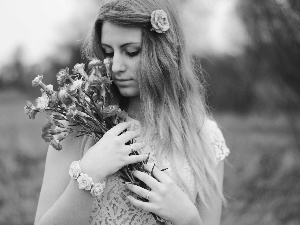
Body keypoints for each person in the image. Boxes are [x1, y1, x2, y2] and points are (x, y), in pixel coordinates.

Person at [34, 0, 230, 224]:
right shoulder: (79, 125)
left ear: (163, 53)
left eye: (131, 52)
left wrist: (189, 219)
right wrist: (87, 175)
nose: (116, 66)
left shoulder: (205, 138)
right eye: (108, 52)